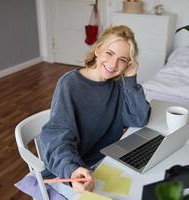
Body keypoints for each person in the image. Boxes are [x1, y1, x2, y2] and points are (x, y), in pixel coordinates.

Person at [39, 25, 151, 193]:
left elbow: (138, 119)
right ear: (98, 50)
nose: (113, 65)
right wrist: (72, 170)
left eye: (122, 59)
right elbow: (57, 135)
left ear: (128, 64)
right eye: (109, 53)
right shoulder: (70, 84)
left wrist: (130, 80)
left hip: (108, 161)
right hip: (78, 169)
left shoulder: (120, 85)